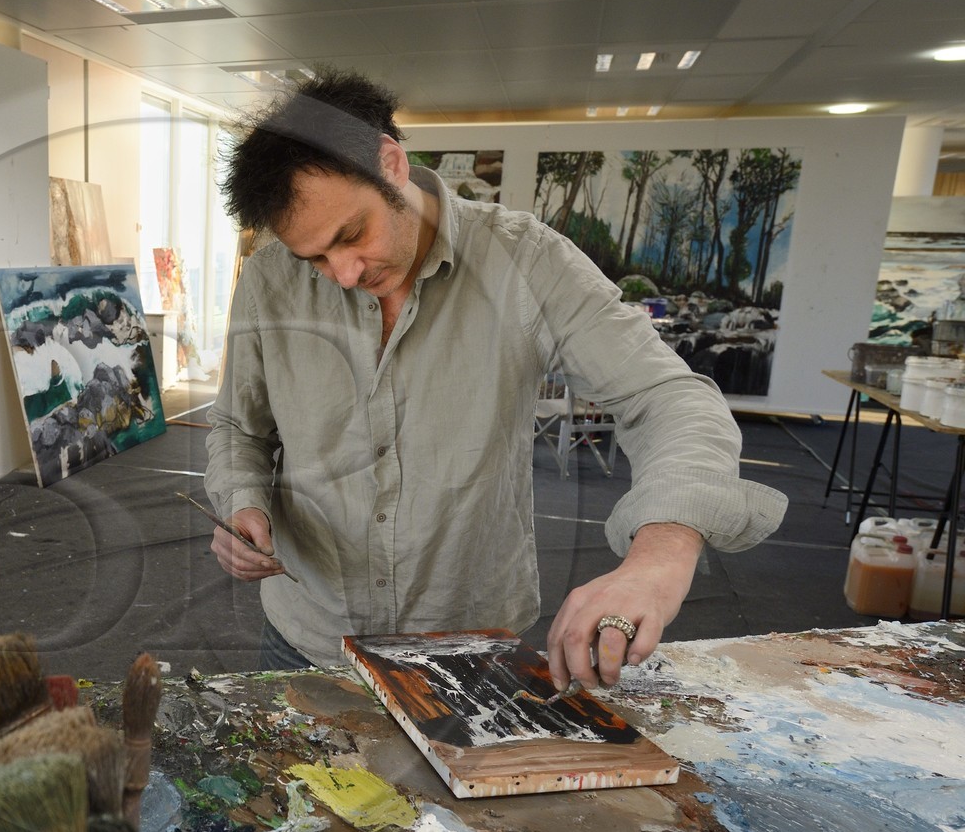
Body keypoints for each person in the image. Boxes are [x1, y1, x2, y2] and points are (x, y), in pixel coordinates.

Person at [203, 69, 788, 693]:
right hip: (309, 638)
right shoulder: (269, 281)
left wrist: (661, 553)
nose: (342, 273)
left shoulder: (526, 262)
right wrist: (243, 501)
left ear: (391, 164)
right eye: (314, 258)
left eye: (352, 235)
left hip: (469, 649)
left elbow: (668, 397)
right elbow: (239, 426)